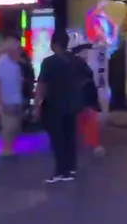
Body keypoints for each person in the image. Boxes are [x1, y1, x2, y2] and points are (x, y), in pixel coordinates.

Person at [34, 33, 88, 183]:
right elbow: (86, 79)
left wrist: (37, 104)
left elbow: (42, 85)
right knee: (70, 136)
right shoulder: (77, 61)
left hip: (54, 104)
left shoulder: (49, 62)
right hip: (73, 104)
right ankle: (70, 168)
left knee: (57, 138)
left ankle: (61, 171)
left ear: (54, 44)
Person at [0, 38, 26, 158]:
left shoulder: (15, 64)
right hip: (6, 100)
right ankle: (6, 149)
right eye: (18, 49)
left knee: (15, 127)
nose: (20, 52)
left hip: (16, 100)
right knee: (9, 127)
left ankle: (9, 148)